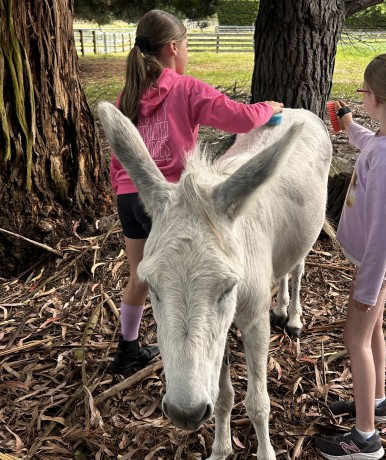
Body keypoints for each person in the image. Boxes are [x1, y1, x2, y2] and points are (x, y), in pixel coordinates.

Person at [110, 9, 284, 376]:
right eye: (186, 45)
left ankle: (127, 349)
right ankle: (188, 352)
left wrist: (122, 190)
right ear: (174, 47)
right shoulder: (186, 88)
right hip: (173, 201)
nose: (186, 53)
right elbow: (239, 118)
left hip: (131, 195)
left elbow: (120, 154)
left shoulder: (129, 93)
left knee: (141, 275)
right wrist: (269, 107)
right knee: (189, 284)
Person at [315, 52, 386, 459]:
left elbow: (381, 231)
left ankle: (364, 438)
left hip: (376, 264)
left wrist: (366, 287)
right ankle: (377, 406)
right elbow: (370, 141)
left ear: (377, 97)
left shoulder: (385, 159)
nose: (360, 97)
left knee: (355, 337)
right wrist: (348, 124)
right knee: (374, 329)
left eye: (363, 92)